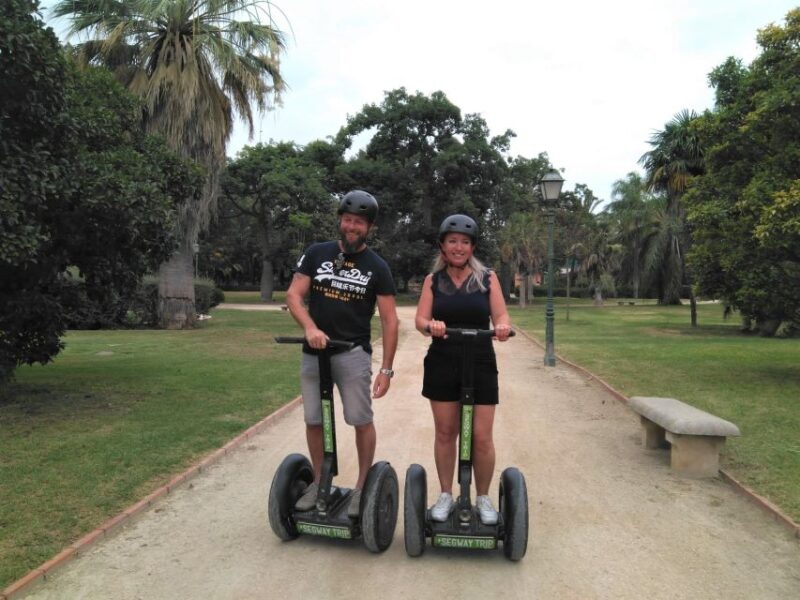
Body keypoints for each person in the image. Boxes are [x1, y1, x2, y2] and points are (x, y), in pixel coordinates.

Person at [286, 190, 399, 517]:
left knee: (359, 419)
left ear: (369, 228)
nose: (352, 226)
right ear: (340, 220)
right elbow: (294, 295)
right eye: (347, 220)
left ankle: (363, 486)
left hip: (352, 353)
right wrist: (310, 327)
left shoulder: (377, 266)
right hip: (314, 351)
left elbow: (390, 320)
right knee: (313, 420)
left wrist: (387, 370)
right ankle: (321, 481)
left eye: (359, 222)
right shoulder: (316, 254)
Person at [414, 214, 512, 525]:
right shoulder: (433, 281)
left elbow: (501, 316)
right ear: (442, 247)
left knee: (482, 436)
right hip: (443, 359)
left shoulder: (488, 279)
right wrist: (432, 325)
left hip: (481, 359)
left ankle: (482, 497)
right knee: (446, 432)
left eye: (465, 242)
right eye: (453, 241)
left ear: (472, 248)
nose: (459, 247)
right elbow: (419, 320)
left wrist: (502, 328)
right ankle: (445, 494)